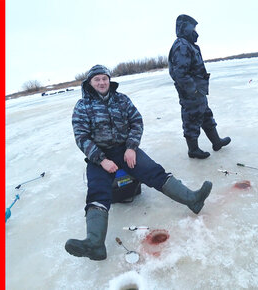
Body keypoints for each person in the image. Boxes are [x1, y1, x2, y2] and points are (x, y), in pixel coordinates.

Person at [65, 65, 212, 260]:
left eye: (104, 78)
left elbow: (136, 122)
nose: (101, 82)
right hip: (99, 157)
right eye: (97, 79)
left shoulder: (121, 99)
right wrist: (102, 160)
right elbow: (81, 137)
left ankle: (192, 200)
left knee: (155, 172)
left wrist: (131, 147)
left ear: (109, 80)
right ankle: (95, 244)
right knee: (97, 192)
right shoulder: (82, 106)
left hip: (125, 149)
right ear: (90, 83)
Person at [168, 14, 230, 159]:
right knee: (192, 119)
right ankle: (193, 150)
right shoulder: (181, 45)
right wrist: (193, 89)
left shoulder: (187, 44)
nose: (195, 31)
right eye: (193, 27)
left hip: (198, 90)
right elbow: (180, 73)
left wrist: (198, 89)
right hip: (191, 92)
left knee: (206, 115)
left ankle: (216, 142)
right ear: (186, 28)